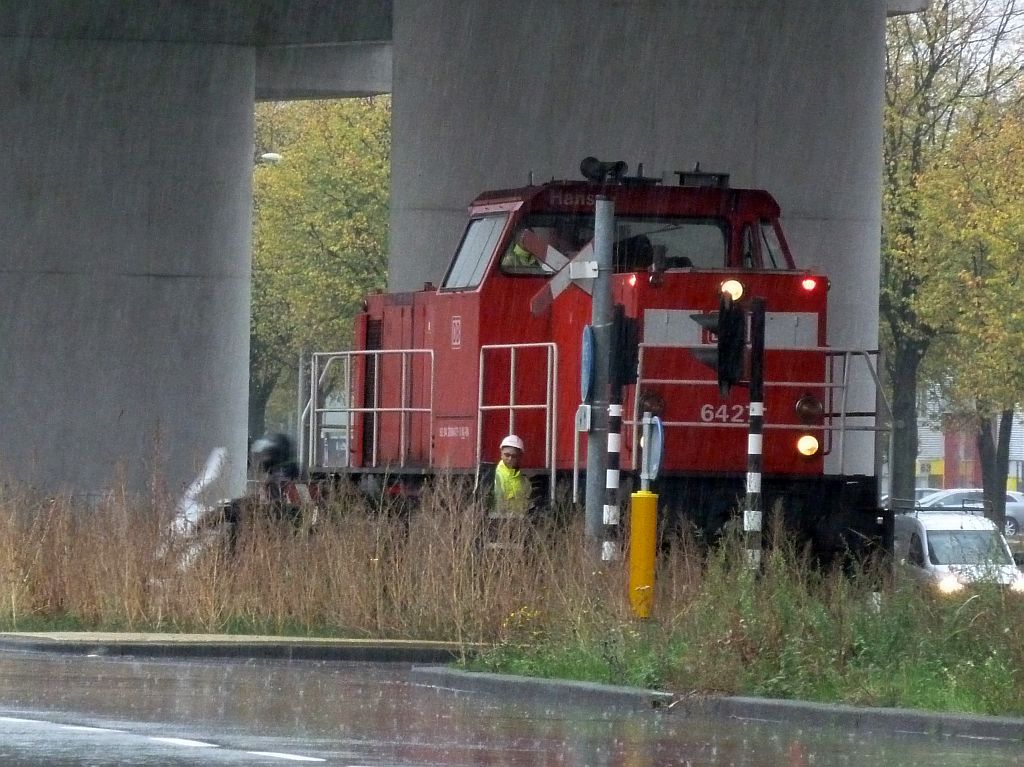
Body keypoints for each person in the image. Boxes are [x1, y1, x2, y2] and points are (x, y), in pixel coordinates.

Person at [493, 434, 532, 517]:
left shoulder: (524, 480)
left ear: (520, 457)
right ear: (501, 454)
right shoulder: (494, 475)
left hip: (520, 522)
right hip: (498, 521)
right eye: (507, 455)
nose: (510, 459)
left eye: (514, 456)